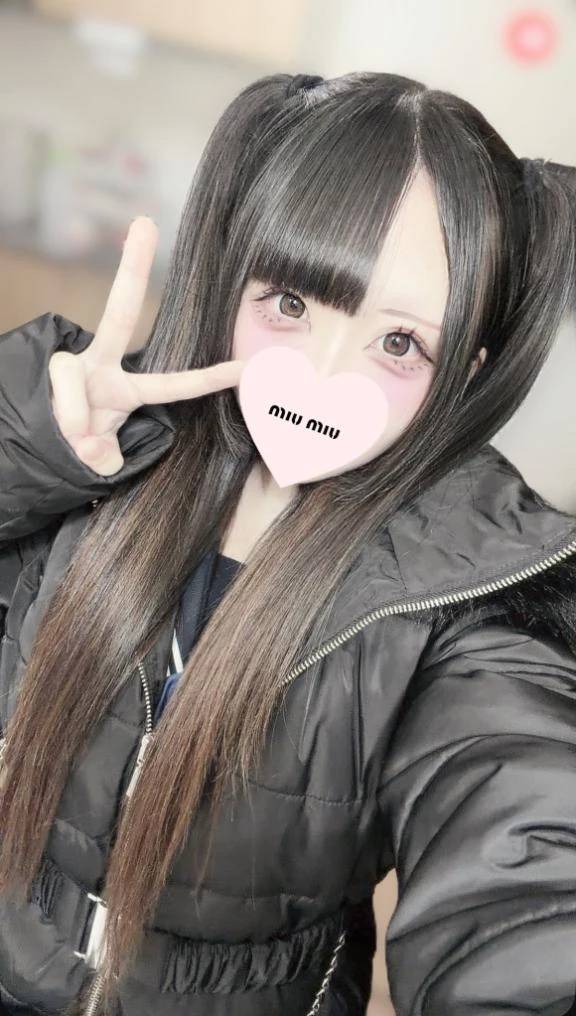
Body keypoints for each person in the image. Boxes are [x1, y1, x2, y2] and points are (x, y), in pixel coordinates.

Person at [0, 69, 575, 1016]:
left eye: (400, 343)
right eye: (294, 304)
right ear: (235, 278)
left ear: (463, 375)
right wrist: (27, 450)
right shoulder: (97, 451)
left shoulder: (470, 598)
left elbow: (525, 865)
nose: (324, 372)